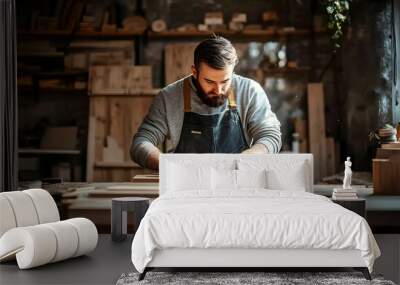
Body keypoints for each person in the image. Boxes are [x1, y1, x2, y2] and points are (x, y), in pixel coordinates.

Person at [130, 35, 281, 170]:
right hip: (185, 184)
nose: (219, 90)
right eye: (209, 81)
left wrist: (246, 160)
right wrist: (166, 166)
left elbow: (270, 136)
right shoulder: (169, 97)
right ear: (194, 72)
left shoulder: (250, 91)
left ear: (233, 71)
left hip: (239, 181)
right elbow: (141, 142)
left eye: (225, 81)